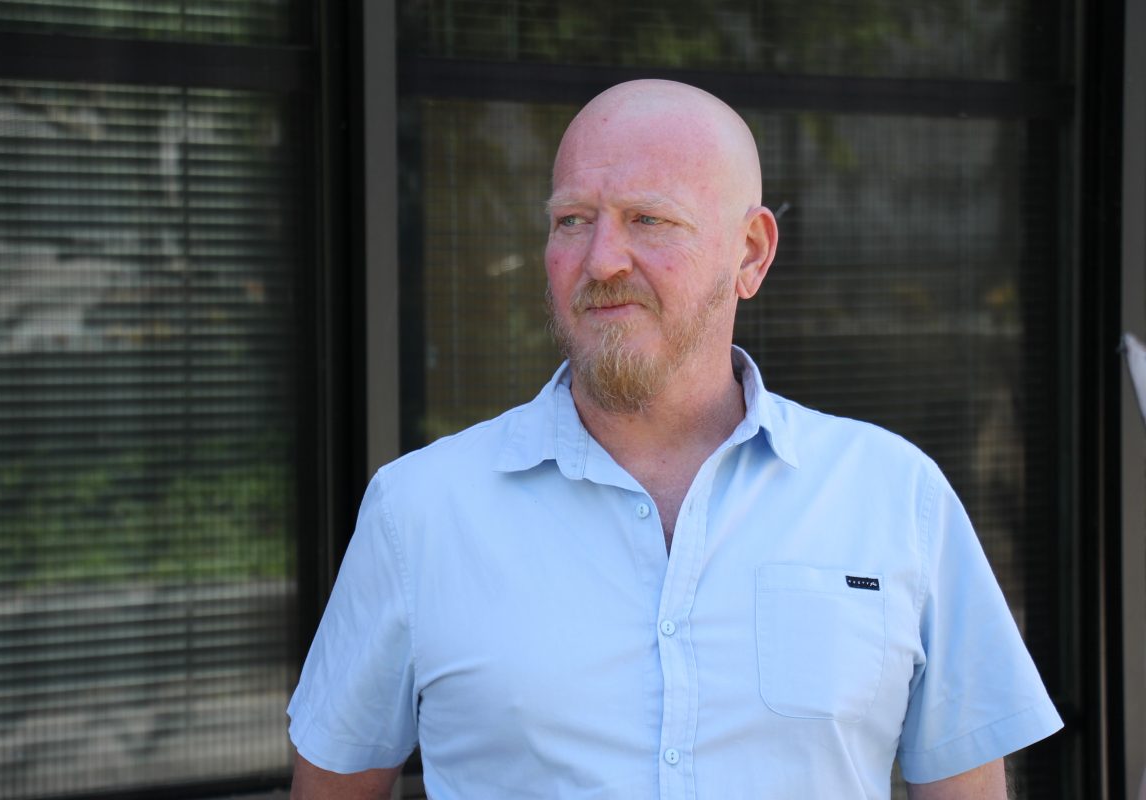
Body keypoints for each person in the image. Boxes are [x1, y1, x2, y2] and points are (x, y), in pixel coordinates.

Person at [287, 79, 1063, 799]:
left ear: (750, 254)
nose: (601, 261)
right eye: (572, 221)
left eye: (648, 219)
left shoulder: (896, 497)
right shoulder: (417, 511)